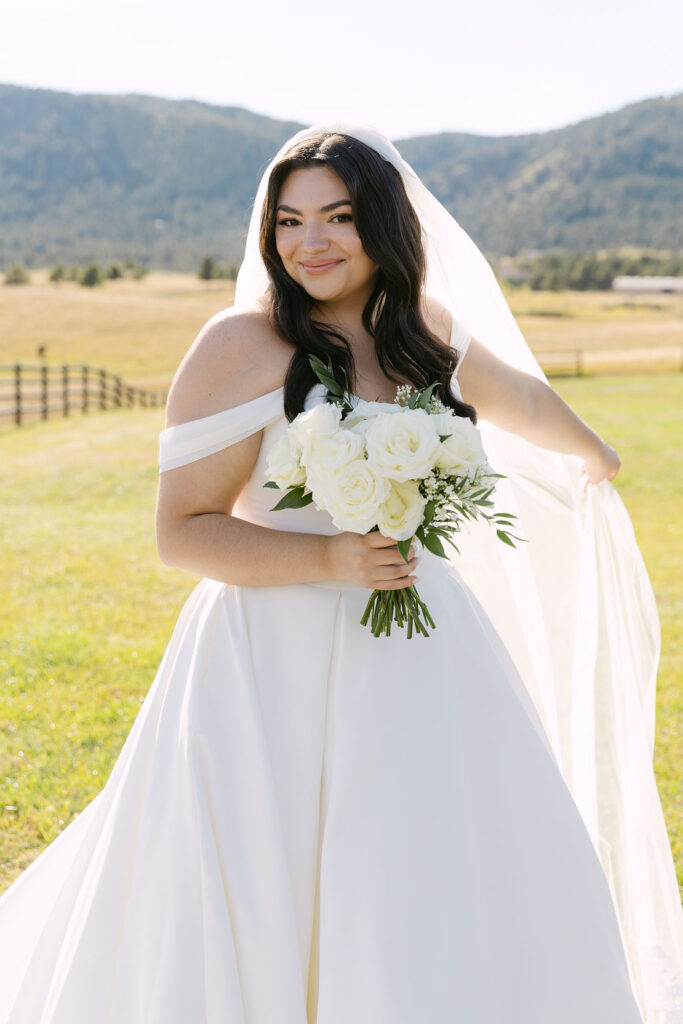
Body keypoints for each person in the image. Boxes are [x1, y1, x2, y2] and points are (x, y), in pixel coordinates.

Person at [0, 123, 681, 1023]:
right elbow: (182, 533)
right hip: (264, 663)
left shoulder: (424, 332)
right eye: (288, 221)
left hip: (420, 644)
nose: (308, 242)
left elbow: (517, 396)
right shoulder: (239, 345)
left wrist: (594, 455)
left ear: (384, 225)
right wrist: (329, 556)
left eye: (337, 217)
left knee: (423, 855)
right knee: (261, 872)